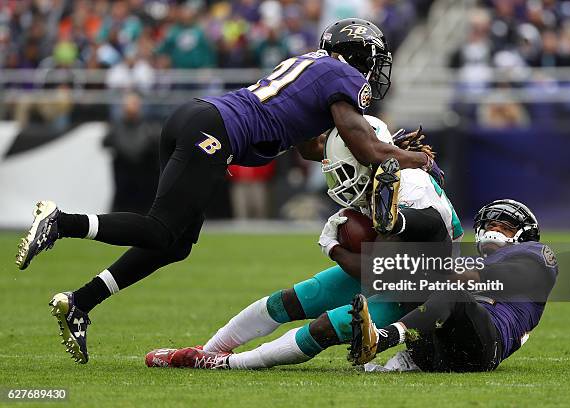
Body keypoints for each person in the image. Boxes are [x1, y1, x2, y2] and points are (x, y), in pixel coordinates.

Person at [15, 18, 433, 364]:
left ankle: (81, 302)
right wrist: (412, 157)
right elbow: (361, 144)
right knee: (161, 229)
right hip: (212, 132)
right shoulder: (341, 74)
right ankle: (60, 221)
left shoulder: (314, 67)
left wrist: (387, 148)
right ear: (357, 56)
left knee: (175, 244)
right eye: (373, 62)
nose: (374, 73)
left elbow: (312, 146)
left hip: (200, 121)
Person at [143, 116, 463, 369]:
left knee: (326, 326)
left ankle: (226, 364)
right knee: (292, 299)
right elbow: (310, 146)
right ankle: (206, 351)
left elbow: (377, 270)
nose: (338, 176)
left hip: (420, 291)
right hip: (392, 267)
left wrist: (334, 248)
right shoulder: (384, 173)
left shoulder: (410, 189)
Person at [349, 199, 557, 372]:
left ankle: (381, 339)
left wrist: (475, 274)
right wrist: (333, 248)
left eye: (505, 229)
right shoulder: (466, 264)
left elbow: (518, 274)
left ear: (525, 236)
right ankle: (394, 221)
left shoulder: (533, 253)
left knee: (453, 294)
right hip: (431, 354)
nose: (494, 231)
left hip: (483, 349)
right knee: (419, 263)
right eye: (491, 226)